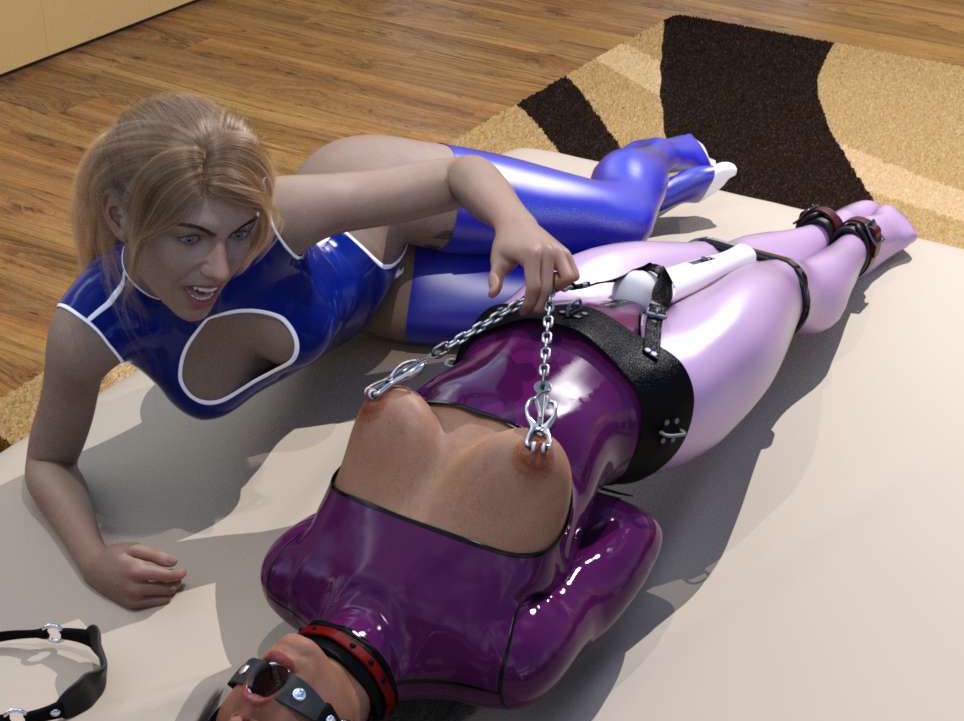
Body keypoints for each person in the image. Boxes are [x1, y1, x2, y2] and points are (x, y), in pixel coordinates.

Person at [177, 200, 917, 721]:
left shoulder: (293, 572)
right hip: (664, 381)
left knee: (731, 251)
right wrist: (551, 498)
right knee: (786, 281)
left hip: (532, 317)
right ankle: (862, 238)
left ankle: (820, 226)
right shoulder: (501, 659)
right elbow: (631, 530)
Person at [23, 92, 732, 611]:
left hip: (399, 220)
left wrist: (512, 222)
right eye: (190, 238)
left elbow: (456, 180)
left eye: (238, 234)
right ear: (118, 216)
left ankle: (655, 161)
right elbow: (48, 461)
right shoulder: (89, 327)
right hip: (380, 304)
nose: (221, 266)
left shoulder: (282, 217)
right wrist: (92, 557)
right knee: (582, 295)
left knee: (619, 221)